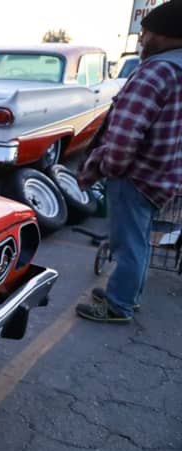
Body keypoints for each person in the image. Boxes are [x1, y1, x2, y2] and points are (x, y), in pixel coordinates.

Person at [75, 0, 182, 324]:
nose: (141, 38)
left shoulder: (156, 71)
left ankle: (118, 305)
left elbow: (123, 135)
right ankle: (128, 296)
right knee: (140, 240)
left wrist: (110, 169)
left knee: (128, 244)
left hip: (137, 176)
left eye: (146, 32)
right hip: (163, 175)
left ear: (164, 34)